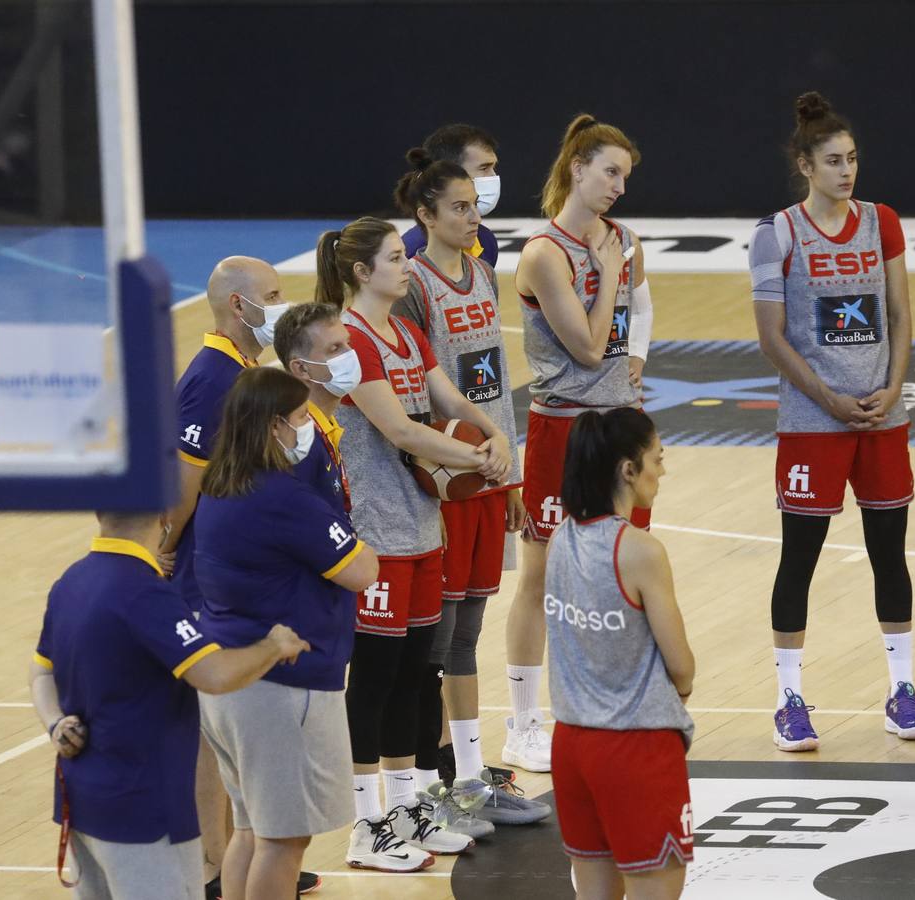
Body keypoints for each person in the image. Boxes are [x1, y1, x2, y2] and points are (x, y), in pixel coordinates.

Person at [314, 216, 526, 866]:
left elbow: (448, 400)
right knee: (375, 677)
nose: (405, 265)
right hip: (375, 532)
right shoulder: (351, 342)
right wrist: (477, 462)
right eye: (393, 258)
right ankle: (365, 820)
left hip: (421, 527)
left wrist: (489, 436)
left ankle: (406, 806)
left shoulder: (405, 331)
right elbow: (401, 431)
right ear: (361, 272)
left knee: (418, 671)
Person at [748, 91, 915, 751]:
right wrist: (827, 399)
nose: (846, 171)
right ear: (804, 165)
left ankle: (902, 691)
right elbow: (770, 336)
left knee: (891, 555)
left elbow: (902, 315)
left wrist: (893, 387)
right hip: (811, 423)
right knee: (800, 560)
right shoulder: (776, 232)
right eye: (832, 161)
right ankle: (788, 699)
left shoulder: (881, 221)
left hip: (881, 416)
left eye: (851, 159)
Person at [30, 508, 311, 900]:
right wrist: (273, 646)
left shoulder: (70, 582)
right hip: (144, 813)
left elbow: (41, 673)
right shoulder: (146, 593)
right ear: (163, 516)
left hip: (81, 806)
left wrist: (55, 723)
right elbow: (212, 674)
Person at [154, 256, 322, 898]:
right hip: (198, 572)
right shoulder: (211, 377)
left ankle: (240, 852)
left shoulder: (242, 369)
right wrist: (165, 546)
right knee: (210, 722)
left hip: (224, 568)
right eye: (273, 296)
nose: (283, 305)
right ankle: (216, 862)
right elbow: (185, 478)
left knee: (225, 721)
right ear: (237, 306)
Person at [394, 154, 552, 828]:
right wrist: (453, 464)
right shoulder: (415, 287)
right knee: (441, 636)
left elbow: (492, 382)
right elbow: (417, 397)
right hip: (448, 480)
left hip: (489, 474)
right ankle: (439, 777)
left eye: (473, 206)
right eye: (458, 207)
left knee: (469, 631)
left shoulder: (482, 272)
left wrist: (509, 469)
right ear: (425, 216)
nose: (471, 217)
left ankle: (466, 772)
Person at [193, 367, 382, 899]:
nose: (309, 428)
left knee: (251, 832)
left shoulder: (219, 486)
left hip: (232, 686)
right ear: (275, 425)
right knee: (283, 841)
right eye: (301, 418)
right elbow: (362, 569)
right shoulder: (283, 498)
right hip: (281, 691)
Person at [507, 113, 654, 772]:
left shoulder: (623, 239)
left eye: (625, 175)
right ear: (576, 169)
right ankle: (522, 722)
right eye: (610, 172)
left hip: (618, 422)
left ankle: (622, 699)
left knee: (626, 570)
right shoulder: (544, 254)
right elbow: (591, 347)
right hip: (562, 426)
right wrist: (604, 268)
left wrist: (640, 362)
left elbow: (640, 306)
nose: (619, 187)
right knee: (540, 577)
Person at [547, 408, 695, 899]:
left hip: (571, 745)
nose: (663, 470)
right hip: (636, 747)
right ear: (628, 470)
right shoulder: (640, 551)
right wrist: (683, 686)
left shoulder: (559, 541)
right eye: (657, 458)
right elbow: (682, 667)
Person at [272, 302, 360, 519]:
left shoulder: (323, 423)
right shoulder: (296, 440)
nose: (351, 354)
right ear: (301, 368)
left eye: (348, 343)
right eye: (335, 349)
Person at [400, 123, 502, 267]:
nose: (493, 177)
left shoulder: (486, 241)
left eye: (494, 168)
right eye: (484, 168)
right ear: (450, 171)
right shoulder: (409, 254)